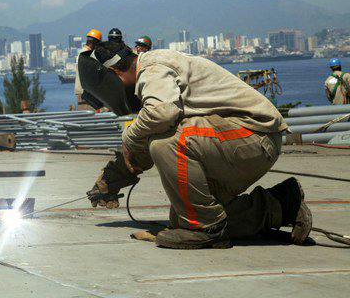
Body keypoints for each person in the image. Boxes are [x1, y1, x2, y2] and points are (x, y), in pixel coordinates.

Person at [87, 40, 311, 249]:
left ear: (114, 73)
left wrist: (129, 137)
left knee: (166, 144)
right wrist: (114, 175)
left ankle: (207, 229)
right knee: (184, 216)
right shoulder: (154, 67)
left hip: (252, 136)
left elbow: (162, 115)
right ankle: (282, 205)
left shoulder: (152, 70)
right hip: (246, 141)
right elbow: (157, 126)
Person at [74, 29, 102, 111]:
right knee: (90, 118)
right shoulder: (87, 54)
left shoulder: (82, 52)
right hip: (87, 92)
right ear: (95, 42)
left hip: (82, 91)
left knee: (85, 117)